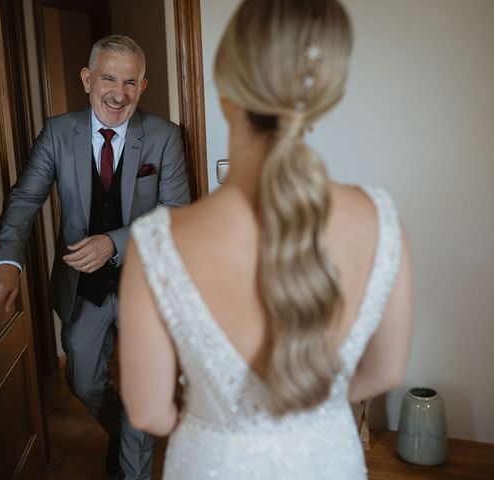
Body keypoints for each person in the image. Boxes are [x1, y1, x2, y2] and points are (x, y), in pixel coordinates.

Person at [118, 0, 413, 478]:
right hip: (329, 458)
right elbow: (386, 372)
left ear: (225, 92)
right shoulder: (379, 219)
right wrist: (317, 410)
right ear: (322, 99)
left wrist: (210, 422)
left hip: (212, 463)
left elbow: (150, 413)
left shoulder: (157, 241)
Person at [0, 35, 190, 480]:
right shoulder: (56, 132)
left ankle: (134, 467)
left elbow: (177, 216)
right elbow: (26, 199)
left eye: (130, 82)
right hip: (84, 289)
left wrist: (114, 243)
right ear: (87, 79)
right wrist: (7, 262)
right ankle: (124, 432)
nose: (118, 93)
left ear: (142, 86)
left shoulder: (164, 137)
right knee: (82, 381)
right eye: (108, 77)